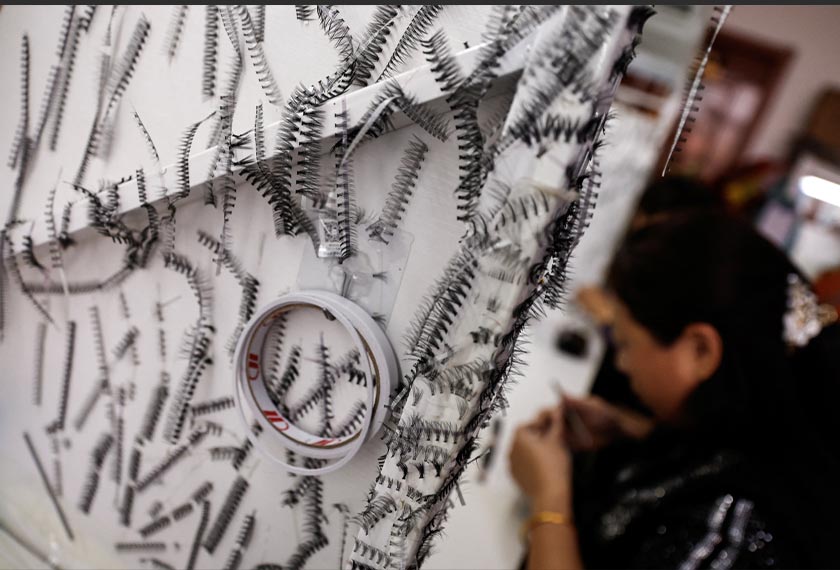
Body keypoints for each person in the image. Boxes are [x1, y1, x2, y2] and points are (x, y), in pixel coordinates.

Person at [511, 212, 840, 569]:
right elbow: (719, 458)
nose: (622, 364)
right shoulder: (766, 435)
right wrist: (635, 432)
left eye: (624, 342)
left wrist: (549, 500)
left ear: (700, 350)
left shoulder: (733, 536)